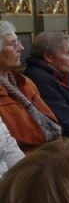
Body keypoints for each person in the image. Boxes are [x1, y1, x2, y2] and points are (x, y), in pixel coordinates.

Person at [0, 20, 61, 153]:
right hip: (28, 162)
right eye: (12, 44)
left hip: (51, 150)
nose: (21, 48)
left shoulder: (25, 82)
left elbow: (52, 125)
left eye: (18, 42)